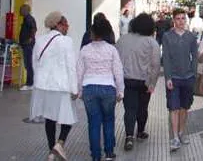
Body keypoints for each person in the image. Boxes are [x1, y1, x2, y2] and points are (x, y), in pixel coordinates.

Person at [30, 12, 77, 161]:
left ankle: (51, 151)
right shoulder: (66, 41)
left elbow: (34, 63)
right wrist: (74, 88)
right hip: (61, 85)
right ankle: (59, 144)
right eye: (66, 24)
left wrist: (40, 79)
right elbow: (71, 67)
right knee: (68, 118)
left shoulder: (39, 40)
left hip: (43, 86)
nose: (68, 27)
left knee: (49, 118)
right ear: (58, 25)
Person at [77, 18, 124, 161]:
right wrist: (120, 91)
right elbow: (118, 71)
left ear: (92, 33)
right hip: (108, 88)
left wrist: (79, 90)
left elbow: (79, 71)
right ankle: (109, 153)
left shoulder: (85, 50)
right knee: (109, 120)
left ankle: (96, 156)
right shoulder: (111, 50)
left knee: (93, 122)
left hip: (89, 89)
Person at [117, 13, 161, 151]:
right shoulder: (151, 42)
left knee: (129, 109)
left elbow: (116, 62)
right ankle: (140, 132)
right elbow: (155, 65)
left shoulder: (122, 40)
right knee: (143, 107)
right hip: (144, 81)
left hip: (127, 80)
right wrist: (152, 83)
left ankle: (129, 136)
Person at [162, 8, 198, 151]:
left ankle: (182, 132)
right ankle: (175, 137)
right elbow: (166, 57)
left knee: (184, 108)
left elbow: (195, 56)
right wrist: (168, 77)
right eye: (178, 18)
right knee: (174, 108)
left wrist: (194, 73)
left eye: (183, 18)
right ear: (173, 20)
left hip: (188, 77)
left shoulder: (191, 37)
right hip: (174, 78)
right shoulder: (167, 36)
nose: (181, 21)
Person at [19, 4, 37, 91]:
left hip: (28, 45)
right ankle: (31, 83)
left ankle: (30, 84)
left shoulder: (29, 19)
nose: (20, 11)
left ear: (26, 10)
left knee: (28, 64)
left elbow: (33, 29)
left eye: (22, 9)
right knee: (28, 64)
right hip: (26, 45)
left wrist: (30, 39)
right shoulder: (26, 19)